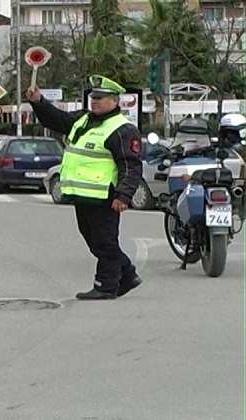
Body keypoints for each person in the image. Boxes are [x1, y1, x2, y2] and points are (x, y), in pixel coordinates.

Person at [27, 75, 143, 300]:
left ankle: (105, 286)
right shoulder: (83, 120)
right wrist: (39, 101)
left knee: (105, 242)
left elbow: (130, 166)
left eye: (101, 98)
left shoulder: (122, 129)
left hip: (105, 196)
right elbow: (56, 119)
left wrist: (124, 195)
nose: (95, 101)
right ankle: (127, 275)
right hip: (83, 195)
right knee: (94, 241)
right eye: (93, 97)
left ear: (115, 101)